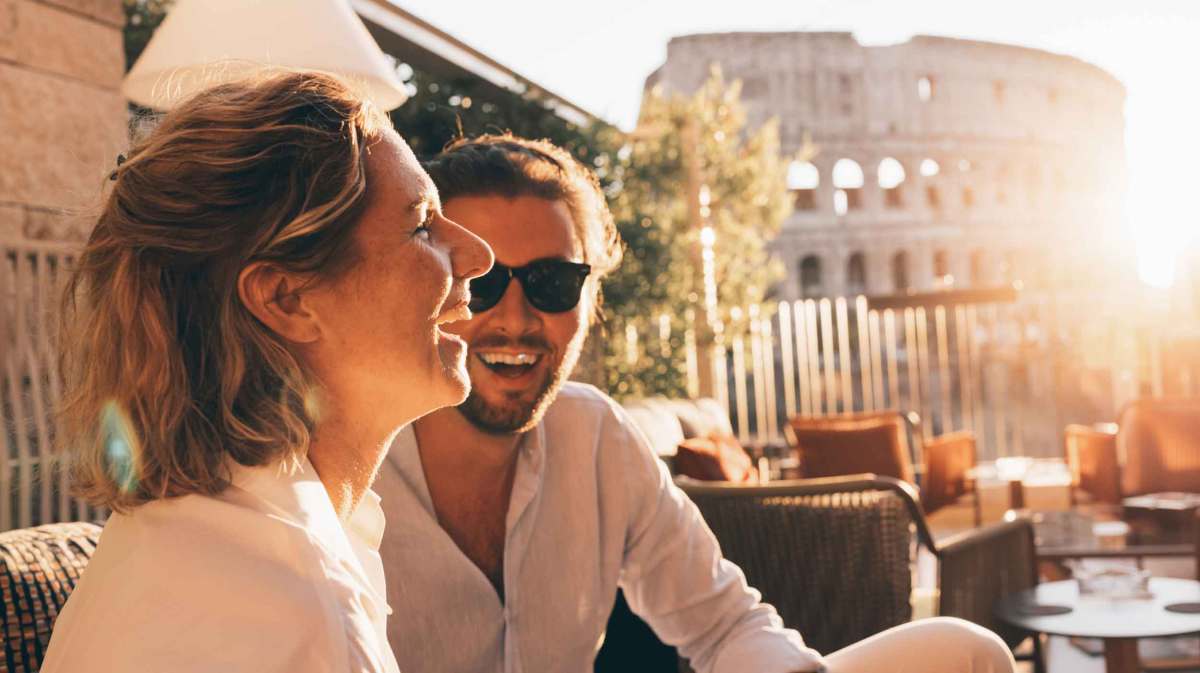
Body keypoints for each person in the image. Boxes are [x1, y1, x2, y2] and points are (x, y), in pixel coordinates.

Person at [375, 134, 1017, 673]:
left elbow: (722, 624)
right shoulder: (350, 465)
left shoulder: (594, 435)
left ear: (587, 299)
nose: (515, 319)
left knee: (967, 650)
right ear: (428, 287)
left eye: (551, 282)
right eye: (479, 283)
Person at [40, 72, 492, 672]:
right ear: (286, 298)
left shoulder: (193, 538)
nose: (479, 254)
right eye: (420, 225)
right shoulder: (301, 613)